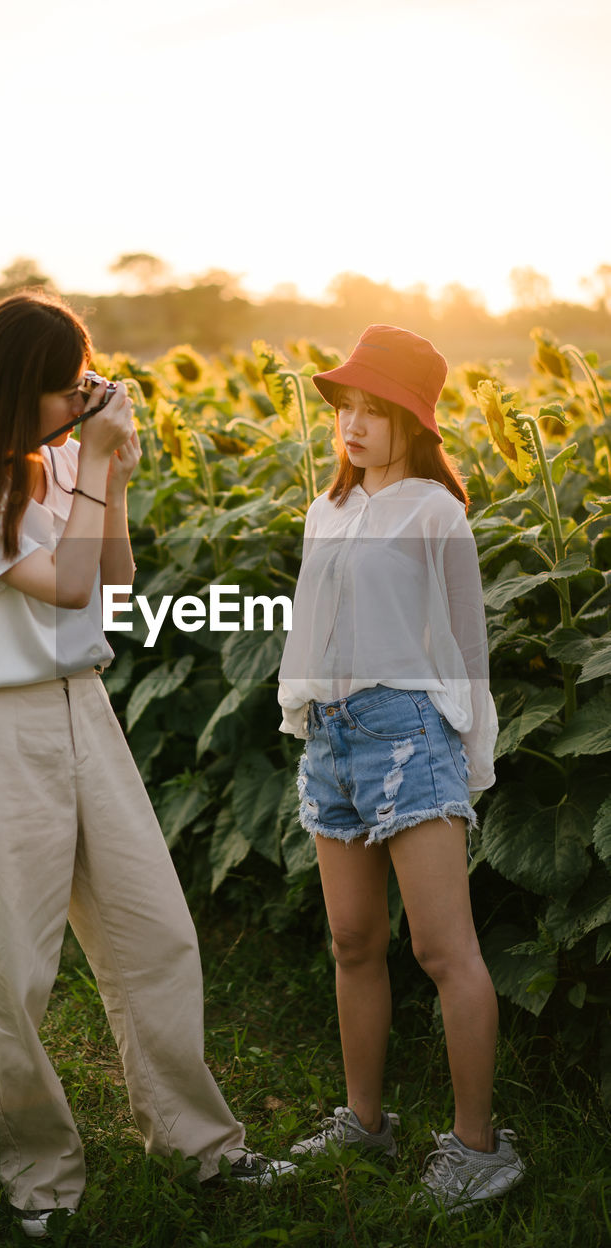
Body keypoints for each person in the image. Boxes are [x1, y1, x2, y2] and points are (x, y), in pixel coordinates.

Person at [0, 290, 294, 1240]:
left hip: (85, 712)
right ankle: (39, 1175)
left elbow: (111, 578)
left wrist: (110, 471)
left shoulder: (53, 461)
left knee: (154, 933)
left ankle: (201, 1145)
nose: (82, 404)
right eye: (70, 390)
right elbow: (63, 583)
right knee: (12, 973)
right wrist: (100, 460)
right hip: (0, 731)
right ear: (21, 388)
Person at [277, 325, 525, 1211]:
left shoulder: (435, 511)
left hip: (411, 729)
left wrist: (470, 756)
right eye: (345, 407)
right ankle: (365, 1123)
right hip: (333, 737)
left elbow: (468, 642)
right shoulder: (326, 511)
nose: (350, 424)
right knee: (353, 941)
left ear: (414, 422)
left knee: (440, 946)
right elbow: (312, 627)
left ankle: (477, 1145)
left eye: (373, 411)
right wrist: (302, 710)